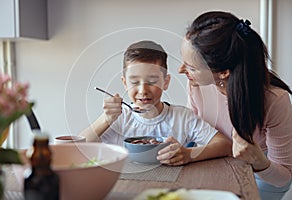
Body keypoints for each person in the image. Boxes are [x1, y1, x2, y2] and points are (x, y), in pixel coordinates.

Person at [178, 11, 292, 200]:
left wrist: (258, 160)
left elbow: (284, 178)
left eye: (191, 67)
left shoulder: (274, 99)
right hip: (215, 162)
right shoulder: (198, 85)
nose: (181, 70)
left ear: (223, 72)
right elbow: (191, 131)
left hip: (262, 175)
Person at [80, 40, 231, 165]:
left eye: (152, 81)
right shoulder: (119, 118)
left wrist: (189, 154)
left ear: (166, 82)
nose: (143, 90)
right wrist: (105, 120)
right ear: (125, 83)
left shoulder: (182, 117)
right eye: (134, 82)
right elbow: (77, 148)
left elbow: (224, 144)